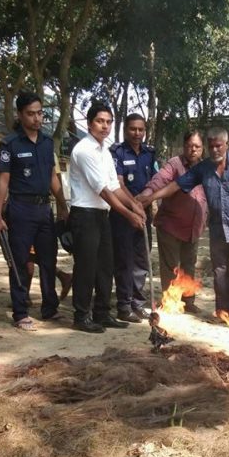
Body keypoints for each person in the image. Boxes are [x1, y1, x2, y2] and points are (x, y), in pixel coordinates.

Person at [138, 127, 229, 320]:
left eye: (218, 146)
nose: (215, 150)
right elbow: (175, 185)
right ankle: (223, 311)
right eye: (211, 147)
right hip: (217, 230)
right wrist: (152, 196)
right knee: (220, 272)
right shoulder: (203, 169)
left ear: (226, 145)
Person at [0, 90, 69, 331]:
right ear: (20, 115)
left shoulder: (48, 144)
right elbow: (3, 180)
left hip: (44, 209)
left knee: (48, 259)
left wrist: (63, 205)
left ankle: (49, 308)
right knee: (20, 262)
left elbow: (52, 178)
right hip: (20, 209)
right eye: (31, 114)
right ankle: (20, 311)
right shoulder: (10, 144)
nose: (36, 118)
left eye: (40, 114)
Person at [68, 103, 146, 333]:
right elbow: (103, 190)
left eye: (108, 121)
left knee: (106, 265)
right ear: (89, 123)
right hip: (85, 214)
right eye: (100, 121)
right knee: (86, 266)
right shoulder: (83, 150)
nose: (105, 126)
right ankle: (81, 316)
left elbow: (116, 186)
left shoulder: (105, 151)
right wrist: (128, 214)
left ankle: (102, 313)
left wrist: (135, 205)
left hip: (102, 214)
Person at [138, 129, 207, 313]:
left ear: (202, 149)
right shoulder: (175, 164)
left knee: (189, 265)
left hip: (194, 228)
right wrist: (146, 195)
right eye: (189, 146)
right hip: (171, 226)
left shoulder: (206, 168)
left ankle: (188, 301)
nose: (193, 150)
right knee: (170, 266)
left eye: (197, 147)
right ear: (184, 146)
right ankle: (170, 302)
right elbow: (159, 181)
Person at [109, 113, 157, 322]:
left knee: (142, 258)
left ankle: (138, 303)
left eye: (141, 129)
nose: (137, 133)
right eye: (133, 129)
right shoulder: (117, 153)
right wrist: (134, 205)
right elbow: (118, 184)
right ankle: (123, 305)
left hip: (143, 214)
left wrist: (151, 204)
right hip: (123, 213)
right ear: (125, 130)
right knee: (124, 260)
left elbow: (156, 181)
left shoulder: (150, 153)